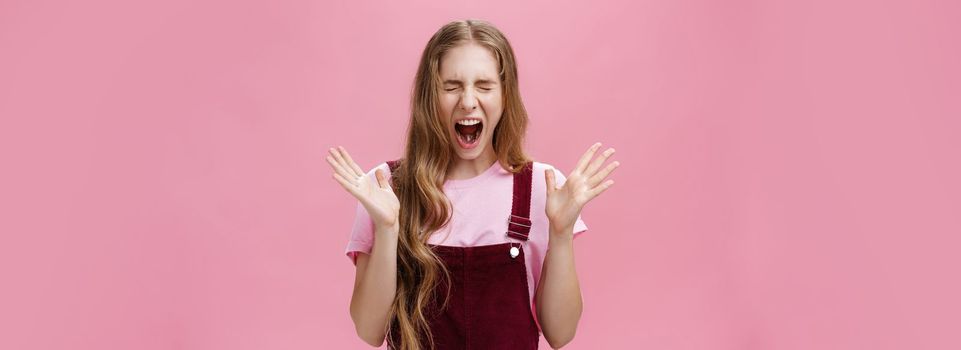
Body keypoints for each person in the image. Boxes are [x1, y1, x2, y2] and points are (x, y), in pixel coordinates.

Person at [325, 19, 619, 350]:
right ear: (429, 96)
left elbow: (561, 333)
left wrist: (561, 235)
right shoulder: (385, 187)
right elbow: (368, 329)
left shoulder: (544, 187)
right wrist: (388, 228)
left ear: (505, 95)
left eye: (484, 85)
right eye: (451, 86)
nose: (467, 101)